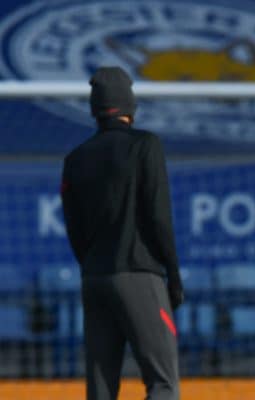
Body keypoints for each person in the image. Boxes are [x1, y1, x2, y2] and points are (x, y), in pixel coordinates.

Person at [61, 66, 184, 400]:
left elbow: (73, 227)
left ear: (94, 107)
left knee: (100, 390)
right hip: (139, 274)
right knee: (162, 383)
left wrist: (91, 263)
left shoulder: (75, 159)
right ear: (130, 103)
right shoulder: (145, 145)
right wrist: (173, 275)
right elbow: (158, 216)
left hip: (94, 278)